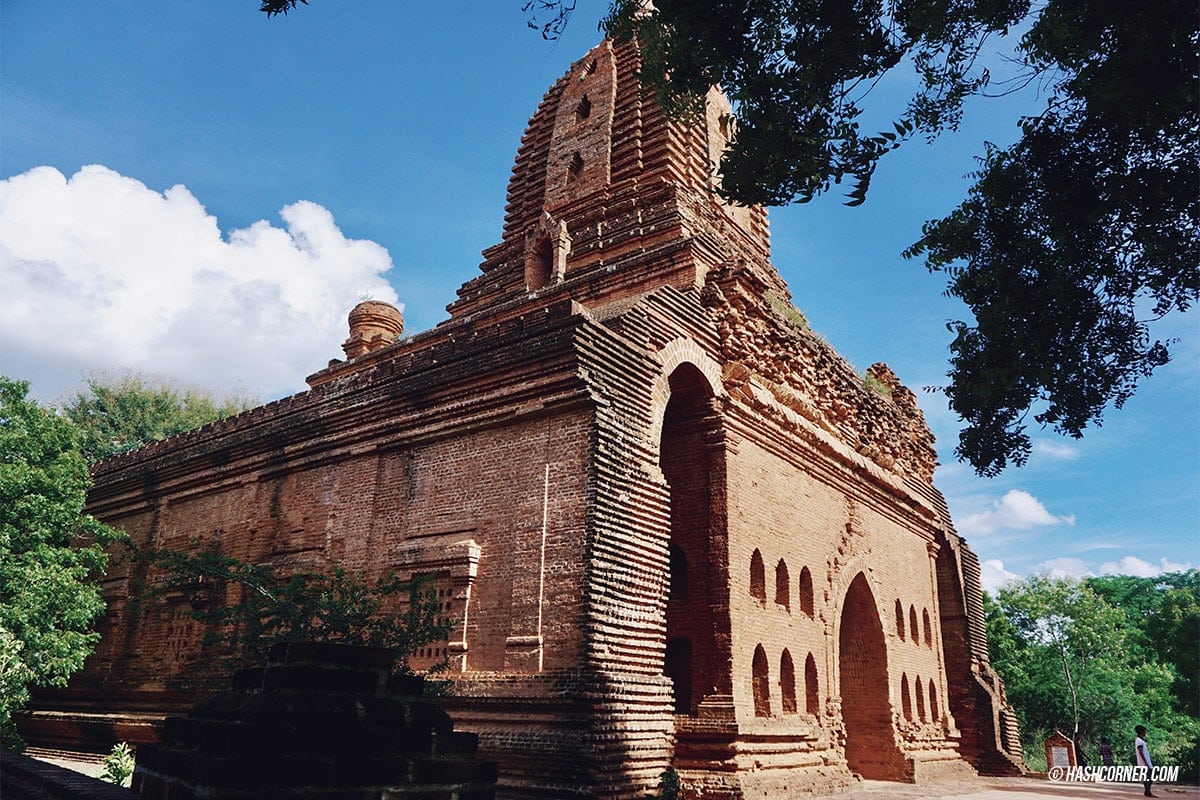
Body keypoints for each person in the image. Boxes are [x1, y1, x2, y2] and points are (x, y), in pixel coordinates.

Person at [1134, 725, 1155, 797]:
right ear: (1142, 732)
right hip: (1144, 762)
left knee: (1149, 776)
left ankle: (1147, 791)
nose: (1145, 733)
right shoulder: (1139, 741)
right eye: (1144, 731)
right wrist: (1145, 763)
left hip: (1145, 761)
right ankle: (1147, 791)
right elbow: (1140, 752)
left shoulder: (1140, 740)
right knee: (1150, 776)